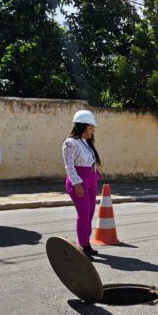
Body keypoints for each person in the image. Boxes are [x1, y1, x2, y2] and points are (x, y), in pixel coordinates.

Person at [63, 110, 102, 256]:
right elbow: (69, 165)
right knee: (83, 214)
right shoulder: (70, 143)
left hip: (91, 180)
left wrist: (95, 174)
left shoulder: (86, 142)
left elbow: (89, 161)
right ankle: (83, 246)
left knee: (90, 213)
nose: (93, 130)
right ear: (82, 126)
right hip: (78, 182)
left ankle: (87, 243)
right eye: (91, 127)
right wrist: (77, 184)